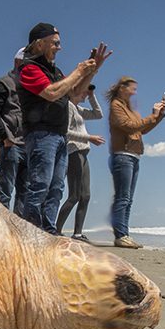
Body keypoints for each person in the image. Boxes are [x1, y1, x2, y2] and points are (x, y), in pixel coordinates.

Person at [17, 22, 108, 234]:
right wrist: (78, 70)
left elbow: (74, 95)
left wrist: (92, 71)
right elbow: (51, 93)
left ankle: (49, 232)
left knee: (56, 188)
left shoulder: (54, 70)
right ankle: (30, 232)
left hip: (59, 136)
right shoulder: (30, 68)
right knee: (40, 185)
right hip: (41, 135)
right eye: (55, 43)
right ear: (40, 44)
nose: (59, 47)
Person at [106, 77, 165, 249]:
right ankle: (121, 235)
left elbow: (142, 129)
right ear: (121, 88)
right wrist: (153, 115)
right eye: (132, 88)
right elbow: (129, 126)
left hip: (133, 156)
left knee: (128, 199)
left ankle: (124, 234)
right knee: (122, 197)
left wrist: (159, 116)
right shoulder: (116, 106)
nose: (134, 92)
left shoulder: (129, 108)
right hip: (122, 155)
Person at [55, 82, 105, 242]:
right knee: (75, 195)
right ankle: (55, 230)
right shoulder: (68, 106)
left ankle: (77, 233)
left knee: (85, 195)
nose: (85, 94)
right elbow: (65, 131)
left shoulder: (78, 109)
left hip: (83, 152)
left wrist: (92, 96)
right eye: (83, 91)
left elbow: (98, 114)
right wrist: (89, 138)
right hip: (74, 151)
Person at [0, 47, 28, 214]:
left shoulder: (31, 89)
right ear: (17, 62)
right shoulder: (3, 84)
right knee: (5, 190)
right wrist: (4, 137)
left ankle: (18, 231)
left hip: (27, 145)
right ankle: (1, 231)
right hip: (11, 144)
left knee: (25, 191)